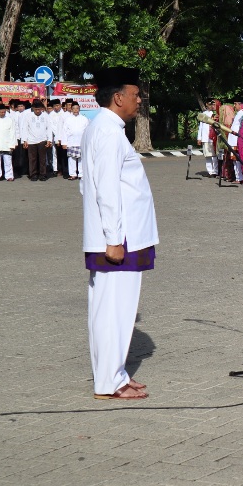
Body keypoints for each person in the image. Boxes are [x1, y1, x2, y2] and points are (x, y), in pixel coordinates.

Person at [81, 66, 158, 400]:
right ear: (118, 97)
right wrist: (113, 239)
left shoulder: (103, 128)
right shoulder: (109, 133)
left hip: (118, 233)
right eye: (135, 94)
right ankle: (109, 382)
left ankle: (114, 375)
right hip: (119, 237)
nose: (139, 100)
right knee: (114, 311)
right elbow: (107, 189)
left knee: (110, 309)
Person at [22, 99, 52, 181]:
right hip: (31, 140)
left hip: (43, 139)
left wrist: (49, 140)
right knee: (32, 159)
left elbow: (49, 128)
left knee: (42, 158)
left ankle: (43, 174)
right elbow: (25, 128)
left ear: (41, 108)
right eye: (36, 109)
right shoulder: (28, 116)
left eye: (39, 109)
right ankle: (33, 174)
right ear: (33, 109)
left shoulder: (45, 116)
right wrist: (24, 140)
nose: (38, 111)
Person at [64, 102, 89, 179]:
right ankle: (73, 174)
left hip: (81, 141)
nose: (75, 110)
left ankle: (81, 174)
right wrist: (64, 142)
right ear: (71, 109)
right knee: (71, 158)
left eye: (77, 108)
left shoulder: (84, 119)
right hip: (71, 141)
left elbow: (87, 131)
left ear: (79, 109)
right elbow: (64, 131)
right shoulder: (68, 119)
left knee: (81, 158)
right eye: (74, 108)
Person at [196, 102, 218, 177]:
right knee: (208, 156)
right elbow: (201, 127)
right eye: (210, 104)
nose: (211, 106)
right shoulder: (204, 114)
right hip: (205, 137)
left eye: (213, 104)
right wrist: (199, 138)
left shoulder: (215, 114)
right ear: (206, 105)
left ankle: (215, 171)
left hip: (214, 137)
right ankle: (210, 171)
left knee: (214, 156)